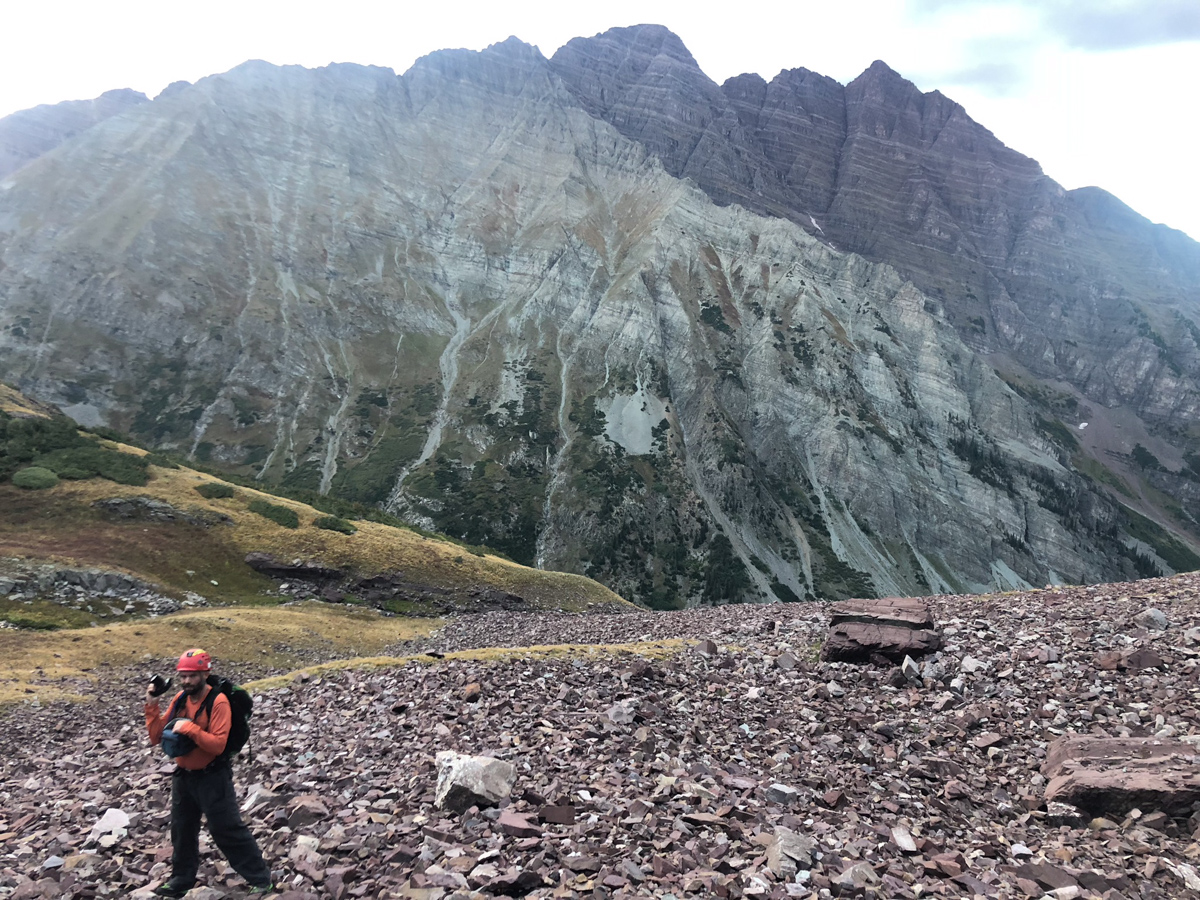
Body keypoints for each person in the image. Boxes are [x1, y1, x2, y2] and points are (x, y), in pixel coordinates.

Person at [144, 648, 274, 897]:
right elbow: (155, 737)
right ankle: (181, 880)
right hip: (184, 776)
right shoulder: (181, 698)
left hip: (213, 776)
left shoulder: (219, 701)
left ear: (205, 673)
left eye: (192, 676)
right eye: (183, 676)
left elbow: (218, 745)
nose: (186, 681)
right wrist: (152, 702)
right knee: (182, 829)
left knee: (226, 829)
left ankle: (261, 879)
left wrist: (190, 728)